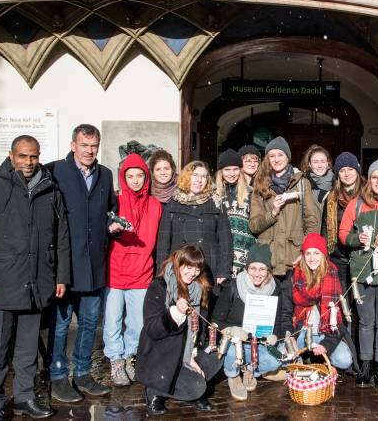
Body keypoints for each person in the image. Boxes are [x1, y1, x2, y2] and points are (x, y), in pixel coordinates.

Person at [0, 135, 70, 420]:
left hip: (38, 283)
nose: (29, 162)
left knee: (27, 351)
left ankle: (24, 397)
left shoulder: (50, 189)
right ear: (11, 156)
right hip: (2, 284)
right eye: (23, 156)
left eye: (34, 156)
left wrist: (60, 276)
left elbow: (61, 237)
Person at [47, 124, 116, 402]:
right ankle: (58, 377)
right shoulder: (54, 171)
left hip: (94, 267)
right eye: (84, 145)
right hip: (65, 267)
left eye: (94, 145)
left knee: (88, 325)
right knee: (61, 326)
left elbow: (111, 210)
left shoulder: (105, 174)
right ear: (73, 144)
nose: (89, 151)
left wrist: (113, 224)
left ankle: (84, 374)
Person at [136, 245, 222, 414]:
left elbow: (200, 328)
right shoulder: (159, 286)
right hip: (161, 353)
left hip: (185, 350)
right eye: (188, 267)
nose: (193, 273)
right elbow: (152, 329)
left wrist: (192, 354)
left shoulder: (199, 289)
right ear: (178, 263)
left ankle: (186, 381)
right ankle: (155, 391)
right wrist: (175, 313)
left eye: (197, 269)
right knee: (197, 388)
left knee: (217, 356)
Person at [104, 153, 163, 386]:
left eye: (140, 175)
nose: (135, 180)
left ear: (146, 177)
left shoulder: (156, 205)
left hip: (142, 271)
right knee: (113, 320)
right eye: (130, 176)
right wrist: (112, 229)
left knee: (138, 323)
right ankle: (116, 360)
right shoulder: (115, 201)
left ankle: (130, 356)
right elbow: (105, 229)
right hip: (115, 271)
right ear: (123, 177)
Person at [339, 159, 378, 390]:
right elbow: (344, 234)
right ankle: (365, 363)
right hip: (361, 272)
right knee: (365, 321)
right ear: (369, 180)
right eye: (375, 177)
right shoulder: (356, 204)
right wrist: (357, 239)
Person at [211, 243, 284, 401]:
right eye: (253, 268)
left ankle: (251, 369)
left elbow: (277, 322)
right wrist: (231, 330)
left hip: (257, 342)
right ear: (246, 268)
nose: (257, 274)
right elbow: (216, 320)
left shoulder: (275, 288)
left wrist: (275, 336)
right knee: (232, 349)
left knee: (274, 360)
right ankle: (234, 375)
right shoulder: (233, 286)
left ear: (268, 271)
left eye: (262, 269)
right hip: (235, 340)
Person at [156, 160, 233, 290]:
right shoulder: (173, 204)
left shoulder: (216, 204)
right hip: (180, 268)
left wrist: (224, 270)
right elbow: (163, 243)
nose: (199, 180)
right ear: (187, 177)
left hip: (208, 268)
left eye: (203, 176)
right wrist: (162, 272)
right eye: (195, 175)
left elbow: (225, 240)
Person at [250, 136, 320, 278]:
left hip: (294, 259)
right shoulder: (260, 185)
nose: (276, 159)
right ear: (267, 159)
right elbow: (254, 226)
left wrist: (306, 252)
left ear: (288, 157)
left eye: (280, 155)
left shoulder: (301, 183)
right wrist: (273, 212)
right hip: (267, 260)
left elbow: (312, 221)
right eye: (272, 156)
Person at [284, 233, 354, 370]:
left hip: (324, 333)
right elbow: (285, 312)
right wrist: (289, 335)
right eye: (308, 253)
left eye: (316, 253)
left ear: (323, 255)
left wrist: (326, 345)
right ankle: (306, 358)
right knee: (285, 357)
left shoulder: (333, 277)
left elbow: (340, 322)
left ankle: (317, 358)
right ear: (303, 255)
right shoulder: (293, 277)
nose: (312, 258)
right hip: (300, 332)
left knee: (344, 360)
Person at [321, 152, 364, 321]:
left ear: (357, 171)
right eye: (342, 170)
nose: (346, 173)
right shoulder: (331, 198)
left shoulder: (367, 194)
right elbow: (325, 229)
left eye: (350, 169)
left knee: (360, 303)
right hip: (338, 257)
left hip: (361, 256)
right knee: (341, 303)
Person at [215, 149, 256, 277]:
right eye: (227, 170)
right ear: (221, 172)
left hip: (246, 256)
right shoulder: (213, 195)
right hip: (221, 257)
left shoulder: (251, 193)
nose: (232, 173)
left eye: (235, 169)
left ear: (240, 170)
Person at [300, 144, 335, 216]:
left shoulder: (337, 184)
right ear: (309, 164)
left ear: (327, 163)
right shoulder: (302, 185)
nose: (319, 165)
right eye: (315, 162)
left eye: (323, 161)